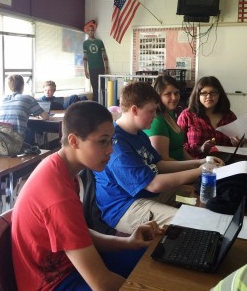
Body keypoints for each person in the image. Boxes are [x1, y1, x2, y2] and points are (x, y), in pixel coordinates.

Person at [11, 101, 163, 291]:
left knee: (149, 254)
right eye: (102, 141)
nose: (110, 150)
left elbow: (78, 233)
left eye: (111, 141)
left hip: (70, 266)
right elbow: (102, 284)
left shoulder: (61, 167)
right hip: (54, 283)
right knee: (154, 278)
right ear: (74, 141)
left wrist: (128, 242)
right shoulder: (58, 194)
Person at [94, 82, 223, 235]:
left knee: (199, 199)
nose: (155, 115)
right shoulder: (118, 146)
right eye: (152, 111)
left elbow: (159, 164)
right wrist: (200, 171)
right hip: (126, 207)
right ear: (135, 110)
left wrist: (199, 162)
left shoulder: (138, 133)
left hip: (149, 196)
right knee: (195, 222)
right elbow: (153, 184)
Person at [177, 76, 238, 159]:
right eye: (203, 93)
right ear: (197, 95)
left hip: (225, 164)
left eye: (213, 92)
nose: (209, 96)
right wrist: (200, 149)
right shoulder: (187, 115)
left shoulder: (229, 116)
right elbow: (177, 146)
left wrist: (237, 144)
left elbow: (236, 145)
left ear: (219, 94)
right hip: (194, 165)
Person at [144, 75, 194, 161]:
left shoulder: (169, 113)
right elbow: (164, 160)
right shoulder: (157, 121)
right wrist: (195, 167)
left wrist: (198, 163)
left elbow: (179, 149)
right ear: (158, 96)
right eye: (168, 94)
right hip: (173, 172)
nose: (174, 97)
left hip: (182, 169)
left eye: (176, 93)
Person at [0, 74, 49, 144]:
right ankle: (34, 152)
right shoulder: (28, 98)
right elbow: (45, 117)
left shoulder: (2, 99)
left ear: (9, 87)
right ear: (23, 86)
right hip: (16, 141)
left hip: (0, 141)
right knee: (30, 130)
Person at [83, 20, 108, 102]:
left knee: (103, 87)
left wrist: (106, 67)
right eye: (89, 30)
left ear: (94, 31)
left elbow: (104, 55)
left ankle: (104, 104)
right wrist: (85, 70)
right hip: (92, 68)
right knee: (95, 87)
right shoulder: (85, 43)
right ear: (87, 32)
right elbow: (85, 58)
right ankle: (95, 104)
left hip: (100, 67)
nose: (90, 32)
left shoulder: (99, 42)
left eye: (92, 30)